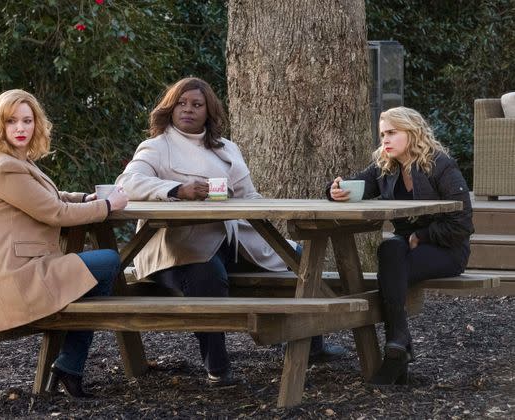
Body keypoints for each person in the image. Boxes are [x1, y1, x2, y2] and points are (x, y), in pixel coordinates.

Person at [117, 77, 345, 386]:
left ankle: (310, 344)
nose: (188, 110)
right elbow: (126, 183)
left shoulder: (227, 148)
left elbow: (248, 196)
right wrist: (177, 189)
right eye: (181, 104)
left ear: (209, 111)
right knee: (207, 275)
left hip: (232, 237)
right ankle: (218, 368)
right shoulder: (157, 147)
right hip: (176, 247)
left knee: (298, 256)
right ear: (170, 109)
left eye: (196, 105)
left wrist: (271, 210)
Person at [0, 89, 129, 398]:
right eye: (11, 121)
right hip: (15, 274)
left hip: (29, 265)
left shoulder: (17, 161)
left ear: (37, 124)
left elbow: (51, 196)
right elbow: (55, 212)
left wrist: (85, 198)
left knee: (93, 278)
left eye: (26, 120)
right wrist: (108, 207)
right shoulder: (4, 166)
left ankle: (69, 365)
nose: (20, 128)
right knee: (109, 262)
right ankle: (70, 363)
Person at [326, 106, 474, 385]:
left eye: (392, 133)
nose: (385, 140)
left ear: (413, 132)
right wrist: (333, 190)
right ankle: (397, 344)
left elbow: (462, 223)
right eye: (383, 134)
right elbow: (355, 184)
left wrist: (422, 236)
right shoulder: (386, 166)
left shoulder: (441, 165)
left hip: (447, 251)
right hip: (404, 249)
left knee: (392, 258)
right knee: (389, 250)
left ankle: (397, 349)